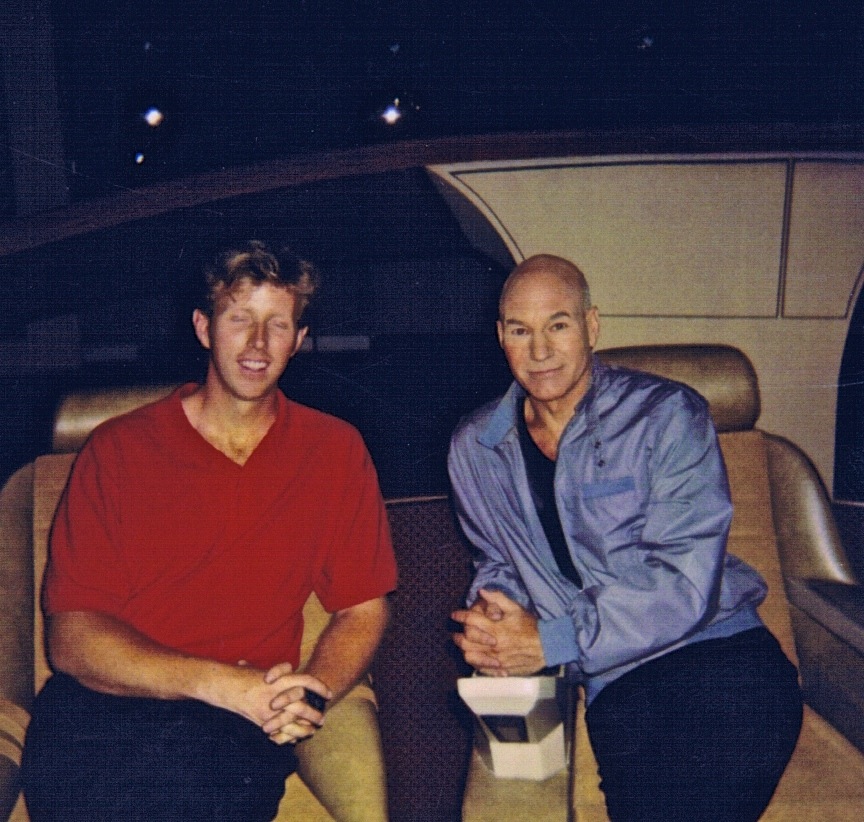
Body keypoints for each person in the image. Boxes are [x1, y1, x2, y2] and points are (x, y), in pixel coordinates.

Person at [21, 240, 397, 821]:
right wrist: (220, 685)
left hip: (232, 727)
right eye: (239, 318)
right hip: (99, 715)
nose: (256, 344)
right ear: (203, 327)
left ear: (299, 340)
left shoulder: (334, 451)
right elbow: (71, 637)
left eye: (278, 324)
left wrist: (311, 688)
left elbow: (363, 608)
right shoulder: (118, 449)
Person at [448, 254, 802, 821]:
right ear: (501, 337)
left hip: (723, 659)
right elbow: (498, 561)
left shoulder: (667, 415)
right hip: (621, 685)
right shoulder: (475, 447)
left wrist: (554, 640)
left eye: (557, 325)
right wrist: (494, 623)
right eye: (521, 330)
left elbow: (684, 584)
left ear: (591, 327)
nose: (539, 351)